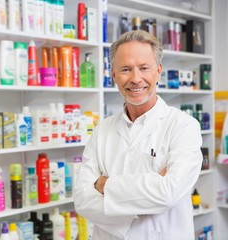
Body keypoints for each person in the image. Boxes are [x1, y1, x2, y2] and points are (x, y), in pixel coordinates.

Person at [74, 30, 203, 240]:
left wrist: (105, 186)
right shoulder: (102, 130)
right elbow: (82, 199)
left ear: (158, 71)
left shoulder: (183, 126)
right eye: (125, 69)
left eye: (144, 68)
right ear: (114, 75)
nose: (136, 79)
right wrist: (146, 196)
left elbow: (167, 193)